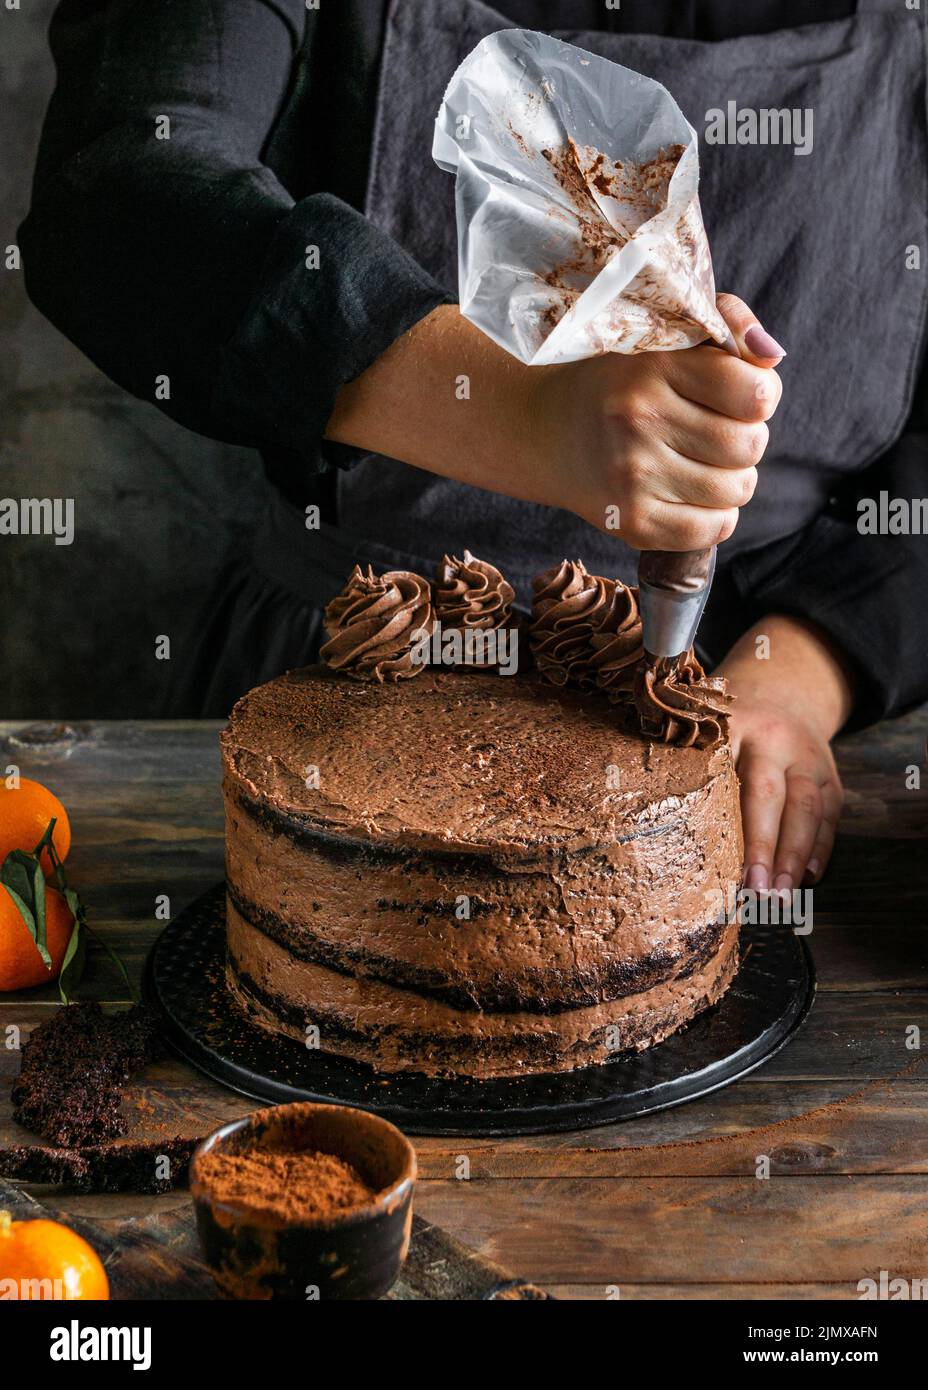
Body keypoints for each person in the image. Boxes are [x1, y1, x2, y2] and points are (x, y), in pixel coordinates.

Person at [20, 0, 928, 902]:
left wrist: (804, 673)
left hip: (736, 744)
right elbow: (118, 186)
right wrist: (523, 412)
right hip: (341, 676)